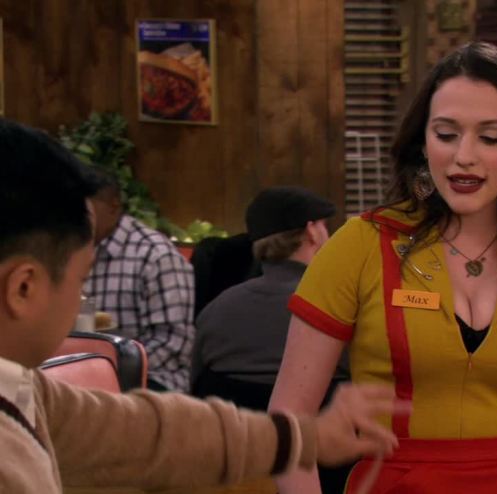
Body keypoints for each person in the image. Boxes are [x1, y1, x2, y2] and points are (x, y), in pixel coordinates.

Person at [0, 117, 408, 493]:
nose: (81, 301)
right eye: (82, 280)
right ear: (23, 288)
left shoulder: (25, 393)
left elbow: (144, 433)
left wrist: (301, 438)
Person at [269, 41, 497, 494]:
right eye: (446, 134)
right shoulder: (359, 246)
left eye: (490, 138)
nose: (464, 155)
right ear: (423, 142)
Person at [191, 186, 348, 409]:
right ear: (311, 231)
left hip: (232, 428)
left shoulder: (215, 311)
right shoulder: (338, 308)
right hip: (320, 429)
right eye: (324, 225)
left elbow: (194, 384)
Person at [83, 169, 195, 391]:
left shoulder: (155, 255)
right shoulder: (74, 250)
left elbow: (172, 342)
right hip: (88, 378)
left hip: (151, 382)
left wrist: (109, 371)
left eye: (83, 210)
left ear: (113, 206)